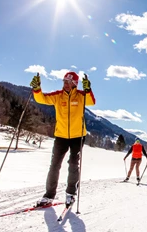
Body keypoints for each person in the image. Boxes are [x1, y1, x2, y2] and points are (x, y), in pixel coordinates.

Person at [30, 72, 96, 207]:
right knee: (54, 165)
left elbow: (91, 102)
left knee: (73, 164)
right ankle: (49, 195)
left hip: (78, 136)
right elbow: (41, 99)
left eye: (68, 82)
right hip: (61, 136)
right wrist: (37, 89)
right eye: (64, 81)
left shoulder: (81, 96)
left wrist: (88, 90)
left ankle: (70, 194)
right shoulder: (58, 96)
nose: (65, 84)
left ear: (75, 84)